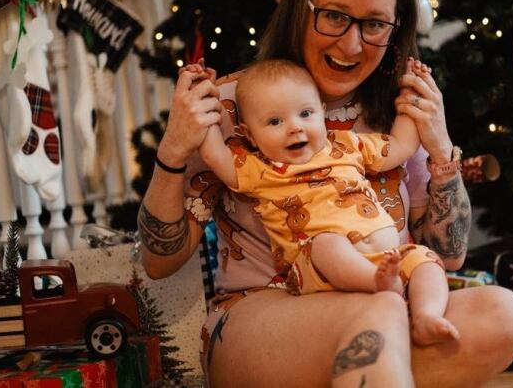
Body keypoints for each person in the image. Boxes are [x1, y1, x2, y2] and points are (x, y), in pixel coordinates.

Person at [138, 0, 513, 386]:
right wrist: (172, 151)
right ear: (300, 8)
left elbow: (448, 254)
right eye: (334, 16)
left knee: (505, 313)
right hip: (264, 316)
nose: (350, 44)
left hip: (391, 297)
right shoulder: (236, 103)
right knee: (377, 310)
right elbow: (158, 261)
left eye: (375, 24)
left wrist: (441, 151)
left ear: (395, 31)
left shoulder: (397, 111)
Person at [195, 57, 460, 346]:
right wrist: (205, 99)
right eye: (275, 121)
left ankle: (426, 317)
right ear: (250, 135)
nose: (294, 128)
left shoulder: (347, 145)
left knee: (426, 260)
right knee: (326, 244)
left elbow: (401, 145)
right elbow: (213, 154)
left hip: (386, 259)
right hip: (318, 270)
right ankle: (375, 283)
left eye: (305, 113)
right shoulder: (258, 168)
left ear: (322, 113)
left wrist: (411, 98)